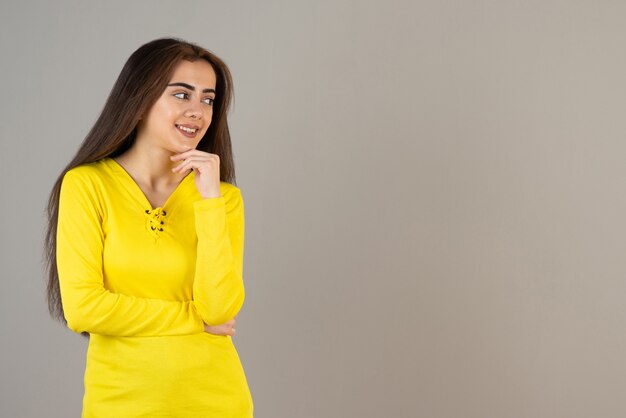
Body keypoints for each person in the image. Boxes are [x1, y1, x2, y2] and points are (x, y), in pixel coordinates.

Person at [44, 38, 253, 417]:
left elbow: (220, 307)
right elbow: (84, 309)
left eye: (208, 99)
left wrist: (208, 202)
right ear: (139, 101)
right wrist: (194, 319)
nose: (197, 112)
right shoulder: (88, 185)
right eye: (181, 95)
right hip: (121, 403)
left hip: (217, 400)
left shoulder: (223, 199)